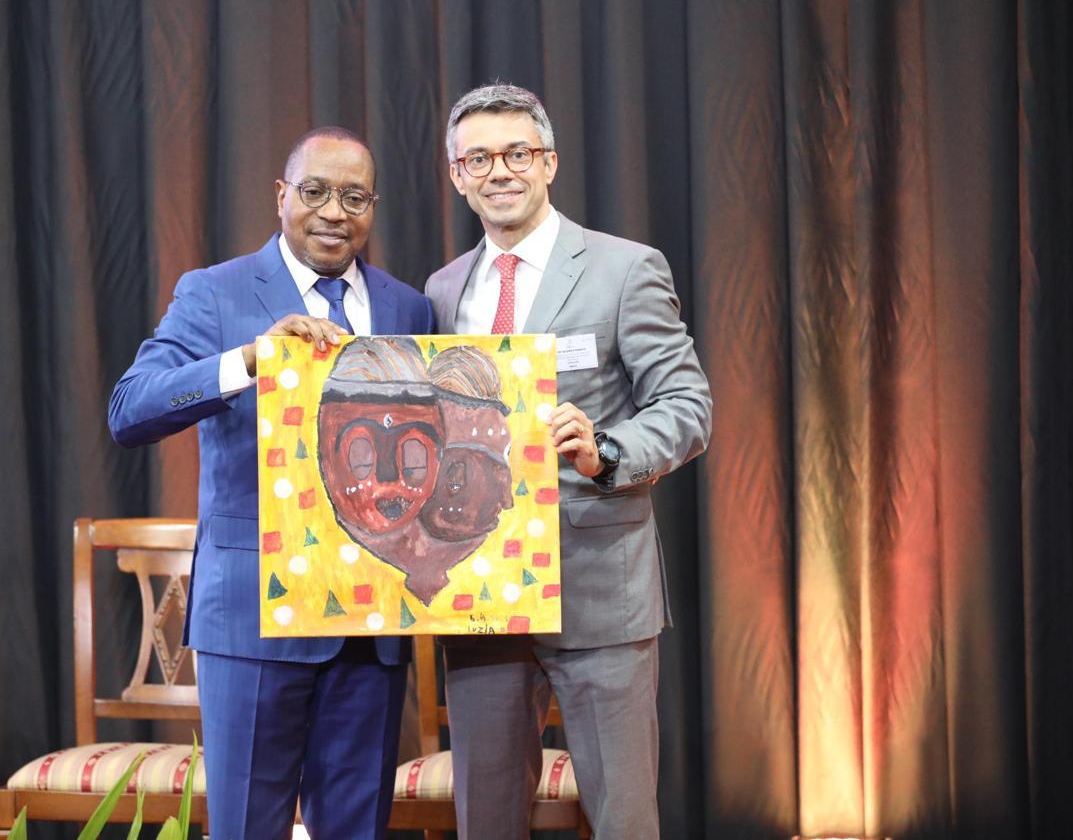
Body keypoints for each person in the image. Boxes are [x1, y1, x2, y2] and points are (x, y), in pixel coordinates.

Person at [109, 126, 435, 840]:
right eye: (315, 191)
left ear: (373, 207)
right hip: (253, 617)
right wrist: (247, 361)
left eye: (354, 197)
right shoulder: (215, 292)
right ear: (281, 196)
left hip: (370, 625)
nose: (333, 212)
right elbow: (130, 410)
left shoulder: (409, 308)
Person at [424, 84, 712, 839]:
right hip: (483, 601)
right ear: (457, 176)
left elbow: (688, 407)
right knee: (486, 822)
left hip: (599, 592)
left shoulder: (625, 269)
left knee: (623, 820)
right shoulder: (443, 289)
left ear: (549, 162)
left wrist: (605, 450)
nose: (500, 171)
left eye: (517, 153)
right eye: (478, 158)